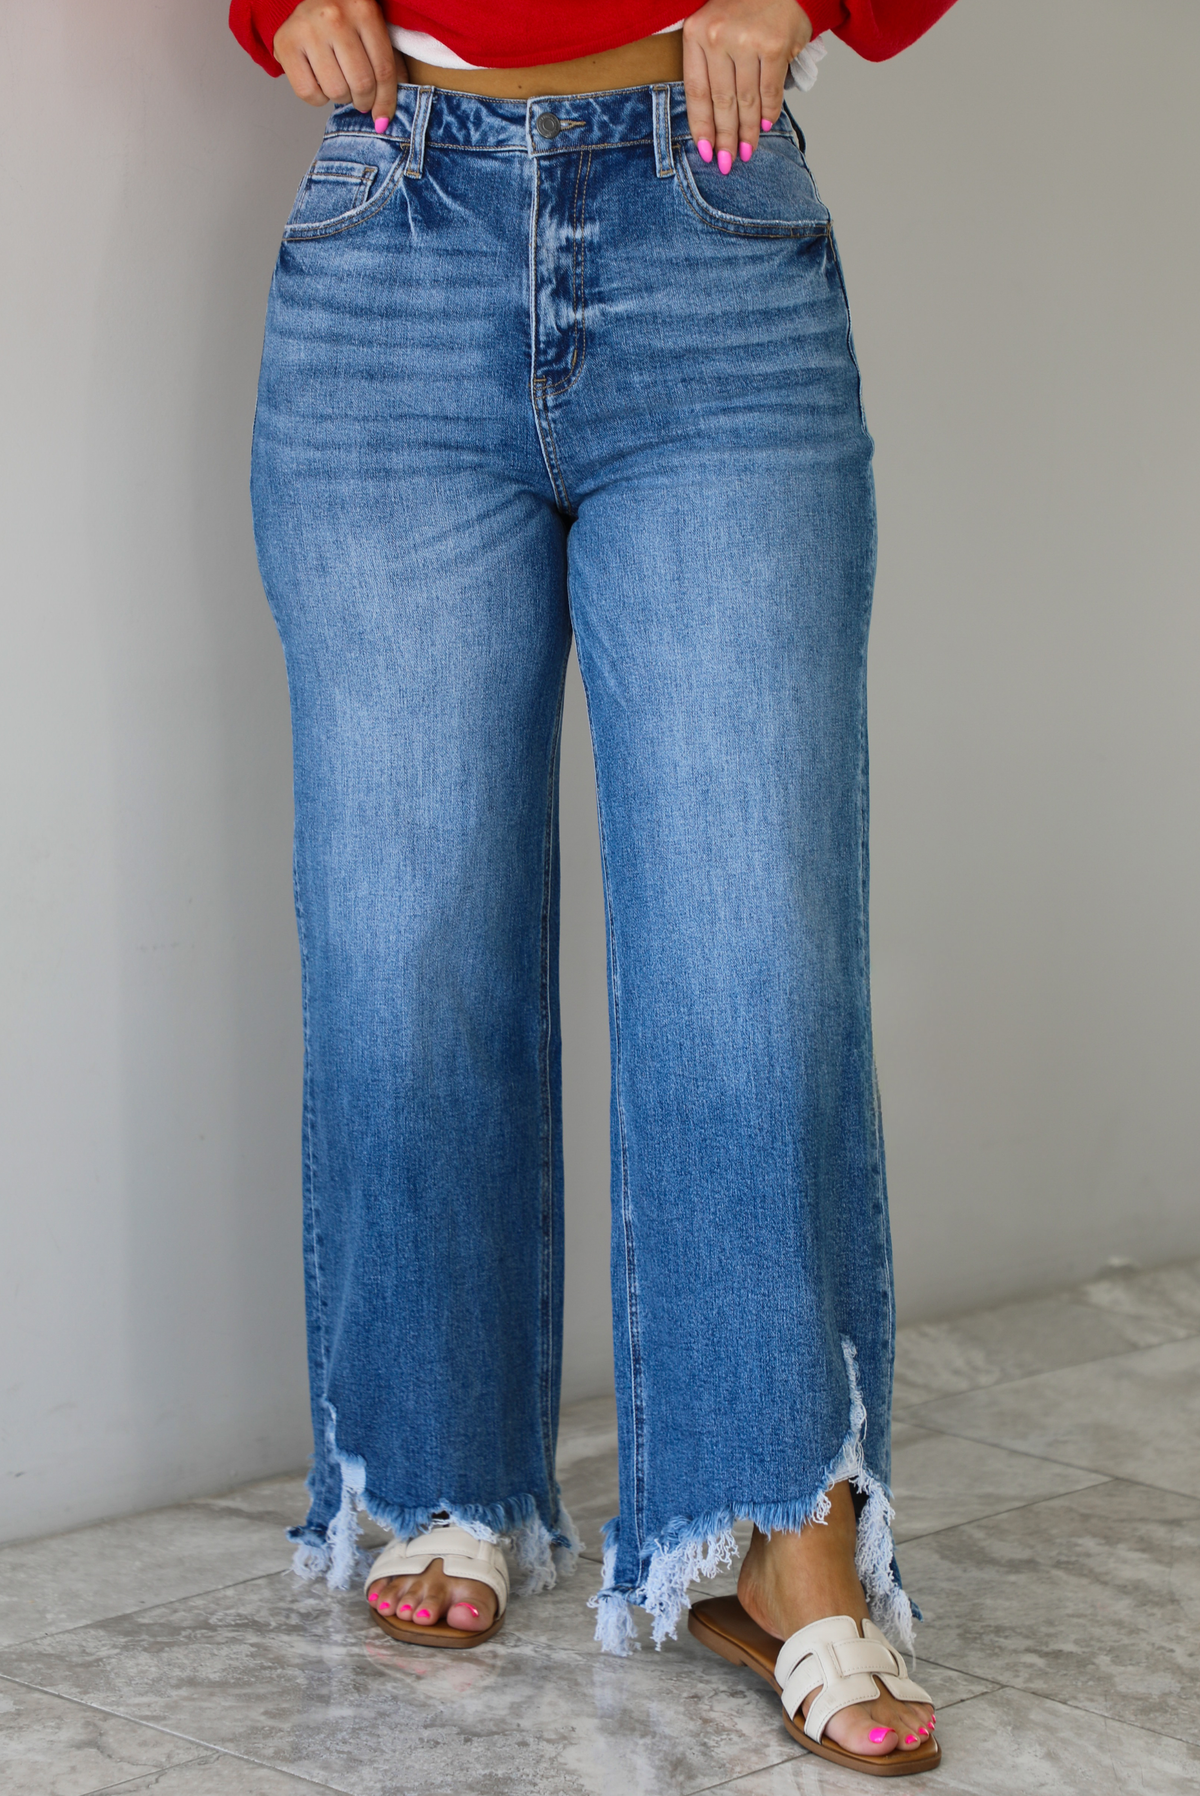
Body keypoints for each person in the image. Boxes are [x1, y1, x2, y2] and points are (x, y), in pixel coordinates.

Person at [231, 0, 956, 1774]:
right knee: (406, 934)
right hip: (391, 237)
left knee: (754, 941)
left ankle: (784, 1535)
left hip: (707, 221)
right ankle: (439, 1474)